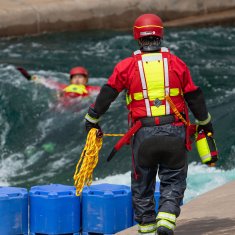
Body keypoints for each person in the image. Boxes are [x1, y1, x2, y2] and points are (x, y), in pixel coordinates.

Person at [84, 14, 215, 235]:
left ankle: (147, 227)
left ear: (137, 36)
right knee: (173, 179)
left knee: (142, 185)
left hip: (143, 136)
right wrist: (205, 124)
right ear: (160, 34)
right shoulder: (176, 63)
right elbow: (194, 96)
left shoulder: (126, 66)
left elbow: (107, 94)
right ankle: (166, 218)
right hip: (174, 133)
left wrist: (92, 119)